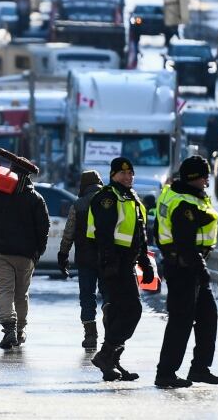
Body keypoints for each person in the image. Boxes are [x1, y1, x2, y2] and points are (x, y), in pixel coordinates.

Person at [154, 155, 218, 388]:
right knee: (180, 321)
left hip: (189, 266)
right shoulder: (184, 203)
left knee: (207, 318)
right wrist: (201, 268)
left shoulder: (181, 195)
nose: (207, 180)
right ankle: (165, 373)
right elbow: (185, 243)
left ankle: (200, 368)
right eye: (204, 176)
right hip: (184, 268)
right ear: (194, 178)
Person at [87, 157, 156, 382]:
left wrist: (145, 264)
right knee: (132, 310)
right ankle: (106, 354)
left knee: (116, 314)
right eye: (123, 173)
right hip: (113, 264)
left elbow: (140, 236)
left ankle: (111, 363)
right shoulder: (108, 197)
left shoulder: (131, 197)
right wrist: (110, 263)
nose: (128, 177)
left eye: (131, 173)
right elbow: (104, 235)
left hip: (127, 262)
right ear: (113, 175)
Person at [0, 158, 50, 349]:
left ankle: (9, 328)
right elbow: (44, 228)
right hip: (25, 255)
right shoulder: (36, 198)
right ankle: (19, 331)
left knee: (4, 290)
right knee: (21, 294)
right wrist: (38, 252)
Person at [58, 170, 105, 349]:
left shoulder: (78, 205)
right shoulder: (111, 201)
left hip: (85, 259)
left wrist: (63, 255)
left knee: (87, 296)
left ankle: (90, 335)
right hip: (108, 258)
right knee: (107, 294)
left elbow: (69, 232)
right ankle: (110, 332)